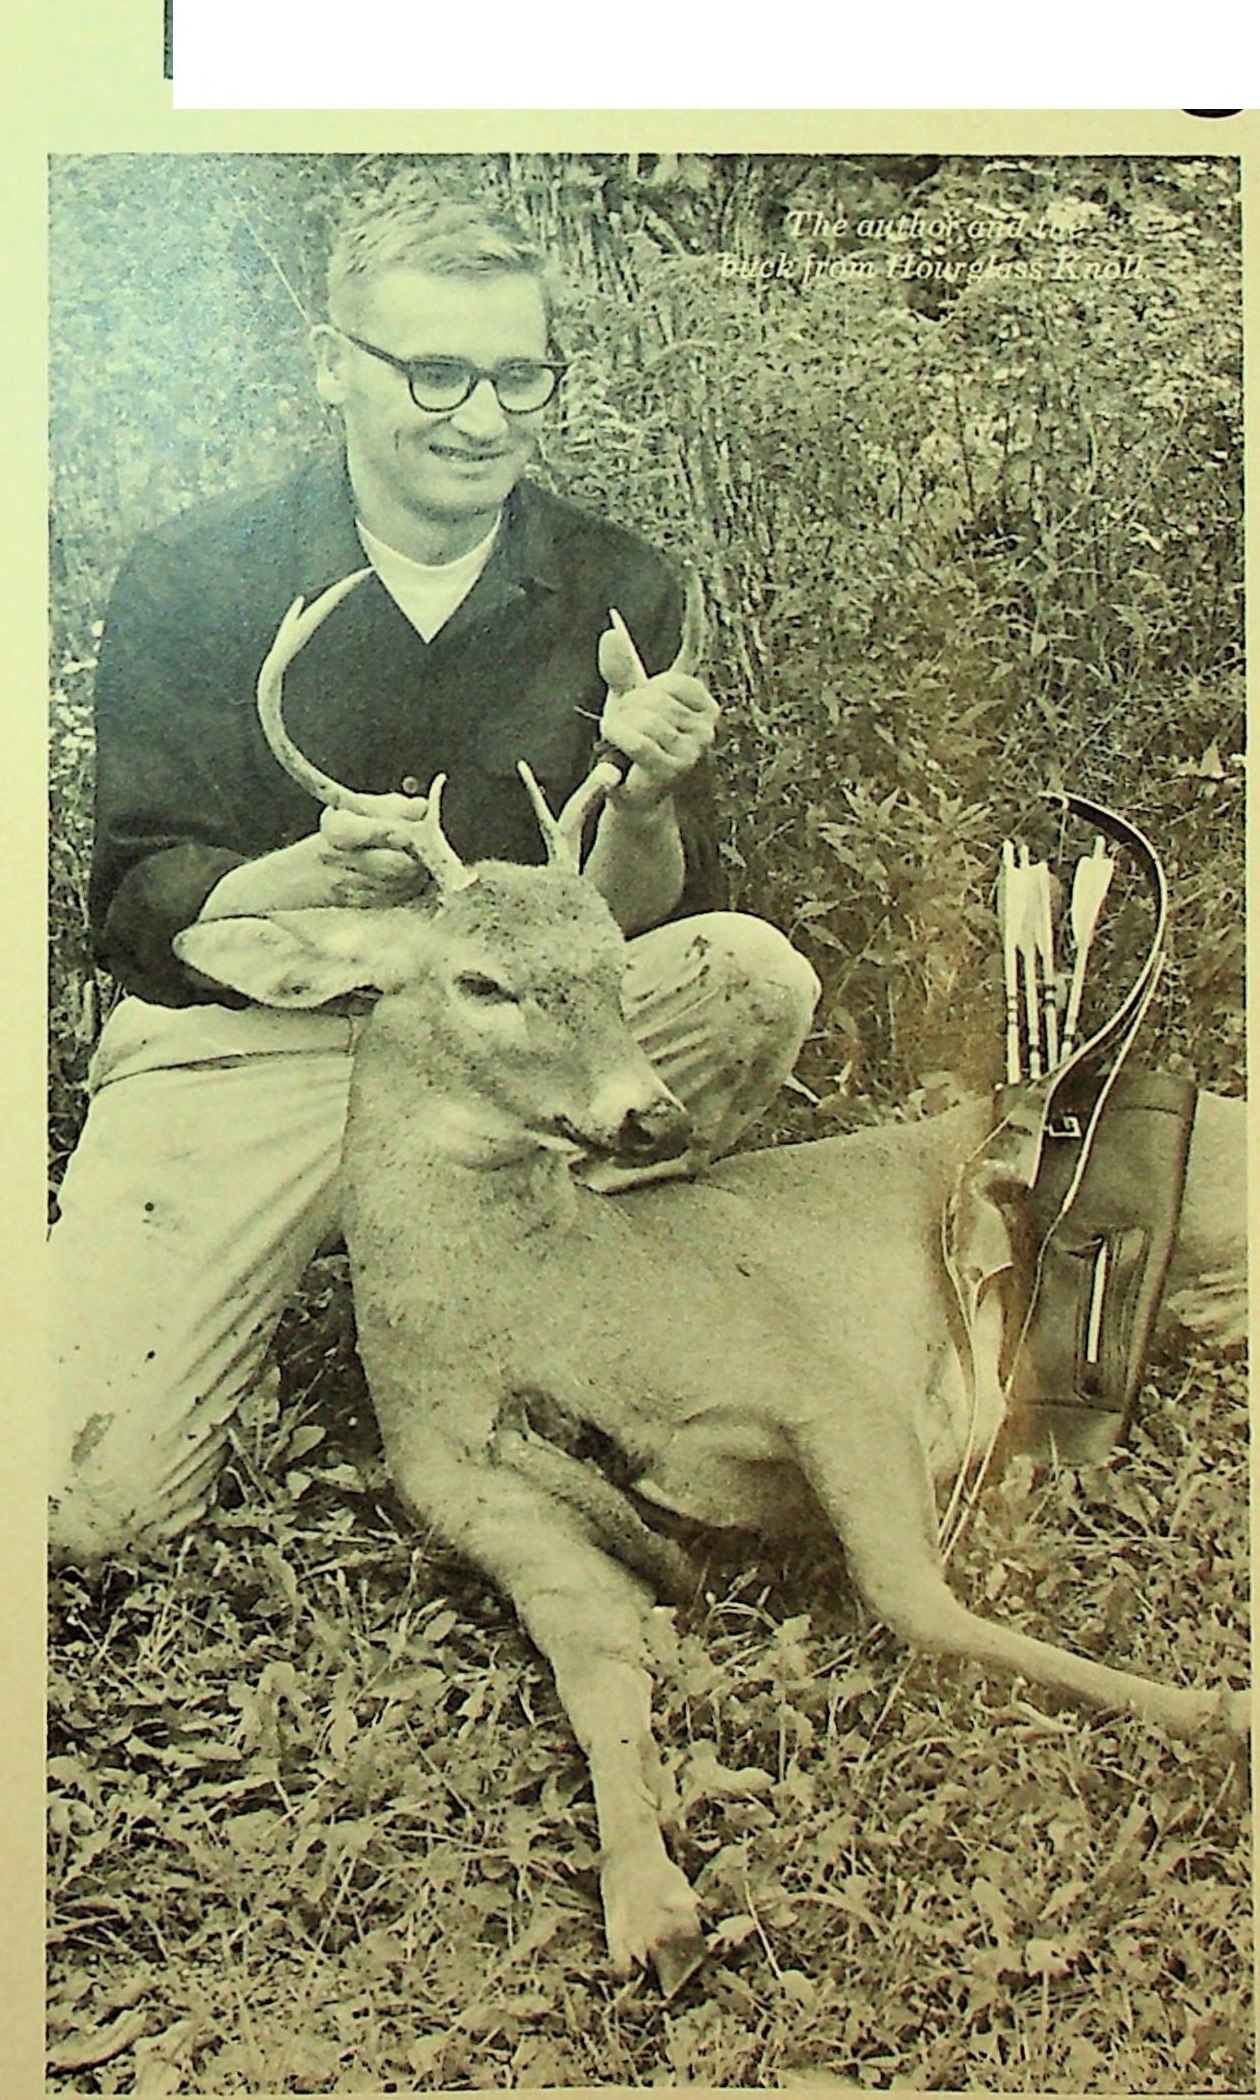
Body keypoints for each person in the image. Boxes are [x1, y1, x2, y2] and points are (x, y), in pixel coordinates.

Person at [50, 182, 821, 1560]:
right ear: (332, 365)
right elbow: (138, 900)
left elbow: (633, 916)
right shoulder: (194, 574)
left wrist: (648, 795)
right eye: (435, 372)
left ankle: (524, 1294)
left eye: (519, 375)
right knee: (84, 1506)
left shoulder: (617, 583)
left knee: (747, 976)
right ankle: (290, 1285)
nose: (481, 417)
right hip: (259, 1041)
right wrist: (302, 874)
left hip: (514, 1057)